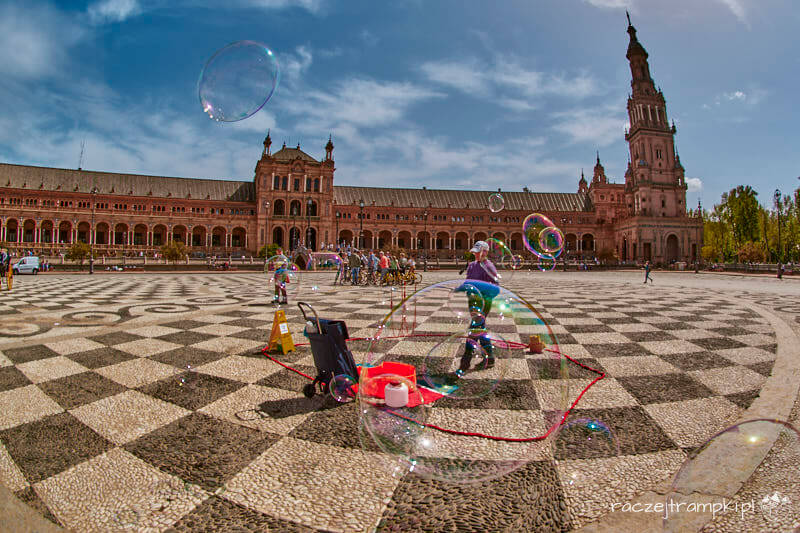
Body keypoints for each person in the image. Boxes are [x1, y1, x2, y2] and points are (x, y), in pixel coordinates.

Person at [456, 241, 499, 376]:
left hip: (484, 302)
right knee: (480, 328)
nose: (475, 254)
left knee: (474, 328)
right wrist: (460, 288)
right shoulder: (472, 265)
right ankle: (490, 357)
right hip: (473, 301)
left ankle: (465, 361)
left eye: (478, 251)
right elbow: (468, 282)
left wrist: (484, 293)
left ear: (485, 252)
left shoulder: (489, 267)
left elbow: (495, 287)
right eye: (474, 252)